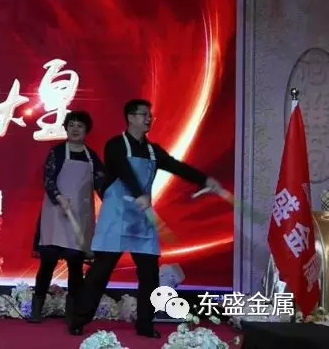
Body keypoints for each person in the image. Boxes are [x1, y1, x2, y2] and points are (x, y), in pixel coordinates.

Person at [68, 99, 230, 338]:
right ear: (130, 117)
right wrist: (138, 193)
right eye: (144, 114)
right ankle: (79, 319)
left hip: (143, 218)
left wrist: (205, 180)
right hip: (116, 217)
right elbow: (123, 170)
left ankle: (145, 324)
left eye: (149, 115)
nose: (149, 119)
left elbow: (176, 166)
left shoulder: (154, 151)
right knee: (100, 272)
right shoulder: (115, 145)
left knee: (150, 274)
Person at [29, 111, 104, 324]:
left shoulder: (92, 157)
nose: (75, 129)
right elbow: (48, 179)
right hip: (55, 215)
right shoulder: (57, 152)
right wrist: (59, 197)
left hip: (79, 217)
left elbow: (101, 184)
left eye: (80, 126)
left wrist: (114, 203)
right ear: (66, 128)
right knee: (47, 264)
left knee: (75, 267)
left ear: (86, 130)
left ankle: (73, 313)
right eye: (71, 125)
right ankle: (37, 309)